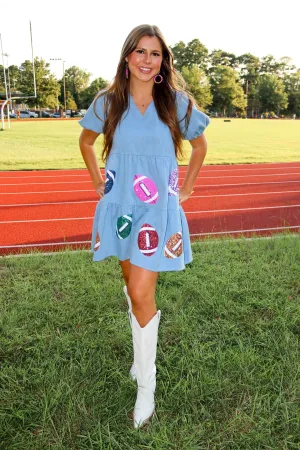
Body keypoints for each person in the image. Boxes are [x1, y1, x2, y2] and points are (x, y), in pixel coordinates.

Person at [79, 24, 209, 429]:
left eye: (154, 53)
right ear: (127, 57)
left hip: (157, 210)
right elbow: (86, 142)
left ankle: (146, 387)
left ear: (162, 61)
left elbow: (200, 144)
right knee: (132, 288)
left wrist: (186, 187)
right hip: (120, 206)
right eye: (139, 51)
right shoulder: (107, 102)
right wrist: (97, 180)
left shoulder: (175, 103)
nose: (146, 59)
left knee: (139, 290)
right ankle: (140, 360)